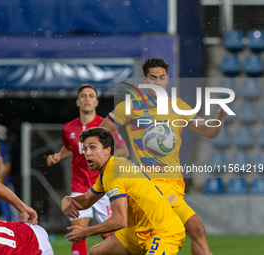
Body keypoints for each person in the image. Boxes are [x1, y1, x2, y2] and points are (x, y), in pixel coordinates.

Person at [99, 57, 229, 255]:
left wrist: (218, 120)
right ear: (144, 80)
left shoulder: (178, 106)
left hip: (175, 184)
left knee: (115, 247)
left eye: (162, 78)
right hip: (153, 185)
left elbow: (209, 131)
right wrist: (119, 151)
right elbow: (100, 135)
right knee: (197, 229)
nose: (158, 82)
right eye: (153, 78)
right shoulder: (129, 107)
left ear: (167, 79)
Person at [62, 127, 186, 255]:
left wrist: (85, 232)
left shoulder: (115, 172)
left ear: (107, 150)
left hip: (164, 232)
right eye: (85, 149)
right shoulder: (108, 172)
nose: (87, 153)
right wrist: (68, 199)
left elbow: (120, 221)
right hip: (136, 232)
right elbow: (86, 200)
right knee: (97, 252)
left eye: (92, 147)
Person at [46, 84, 129, 255]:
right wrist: (58, 156)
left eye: (91, 96)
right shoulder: (68, 128)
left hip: (103, 187)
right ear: (77, 102)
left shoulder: (105, 125)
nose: (87, 99)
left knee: (110, 235)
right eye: (83, 96)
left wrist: (105, 158)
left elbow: (124, 150)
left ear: (96, 101)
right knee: (77, 230)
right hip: (80, 188)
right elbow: (69, 148)